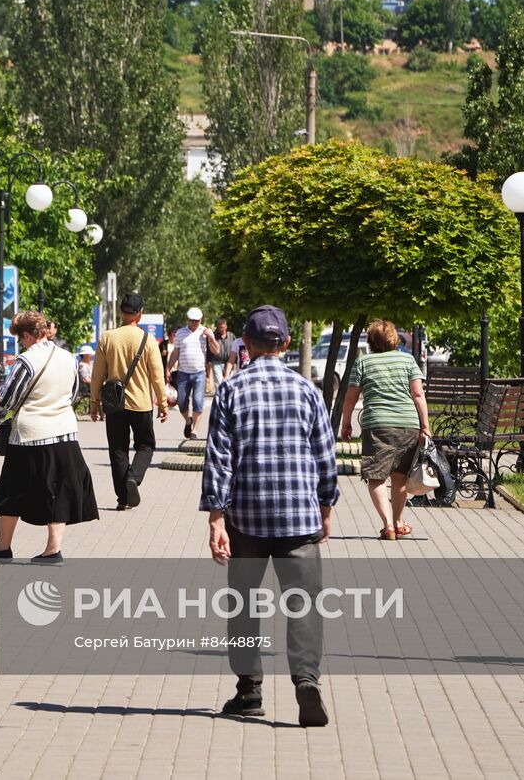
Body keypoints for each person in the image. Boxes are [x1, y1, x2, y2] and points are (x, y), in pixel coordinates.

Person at [202, 305, 338, 728]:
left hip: (247, 518)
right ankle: (306, 680)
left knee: (243, 602)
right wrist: (326, 507)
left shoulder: (230, 390)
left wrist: (215, 518)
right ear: (284, 344)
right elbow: (325, 456)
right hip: (300, 516)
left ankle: (250, 689)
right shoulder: (308, 390)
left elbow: (219, 459)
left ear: (246, 342)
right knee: (304, 604)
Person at [0, 311, 98, 563]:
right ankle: (53, 549)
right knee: (59, 488)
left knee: (12, 488)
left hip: (30, 434)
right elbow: (75, 393)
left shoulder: (26, 360)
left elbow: (7, 398)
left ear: (26, 335)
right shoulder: (68, 358)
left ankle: (2, 546)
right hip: (65, 431)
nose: (21, 344)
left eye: (20, 339)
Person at [339, 319, 430, 541]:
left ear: (370, 341)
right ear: (394, 339)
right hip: (408, 425)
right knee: (399, 477)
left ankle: (388, 525)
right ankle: (398, 522)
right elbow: (418, 395)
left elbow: (350, 397)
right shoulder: (407, 360)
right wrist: (425, 426)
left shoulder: (363, 363)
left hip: (377, 426)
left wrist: (346, 423)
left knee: (376, 477)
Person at [90, 293, 167, 509]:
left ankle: (123, 499)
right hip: (141, 403)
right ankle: (134, 476)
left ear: (121, 313)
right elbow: (157, 375)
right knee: (145, 445)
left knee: (117, 450)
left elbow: (97, 374)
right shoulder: (148, 339)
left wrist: (94, 403)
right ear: (139, 314)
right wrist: (162, 403)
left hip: (114, 404)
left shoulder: (107, 337)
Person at [166, 307, 220, 439]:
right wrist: (167, 368)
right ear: (188, 320)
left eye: (197, 321)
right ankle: (188, 421)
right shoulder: (180, 333)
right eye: (192, 321)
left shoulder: (205, 332)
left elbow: (217, 351)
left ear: (201, 320)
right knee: (182, 402)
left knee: (197, 401)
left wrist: (211, 338)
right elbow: (175, 353)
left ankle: (194, 430)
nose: (194, 323)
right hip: (183, 372)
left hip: (199, 373)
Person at [207, 319, 234, 385]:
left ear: (226, 327)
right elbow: (208, 349)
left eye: (222, 327)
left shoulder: (231, 336)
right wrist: (207, 361)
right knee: (218, 383)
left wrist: (236, 362)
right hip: (216, 362)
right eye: (219, 327)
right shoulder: (213, 336)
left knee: (230, 383)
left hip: (229, 363)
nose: (220, 329)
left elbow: (235, 349)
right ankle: (220, 395)